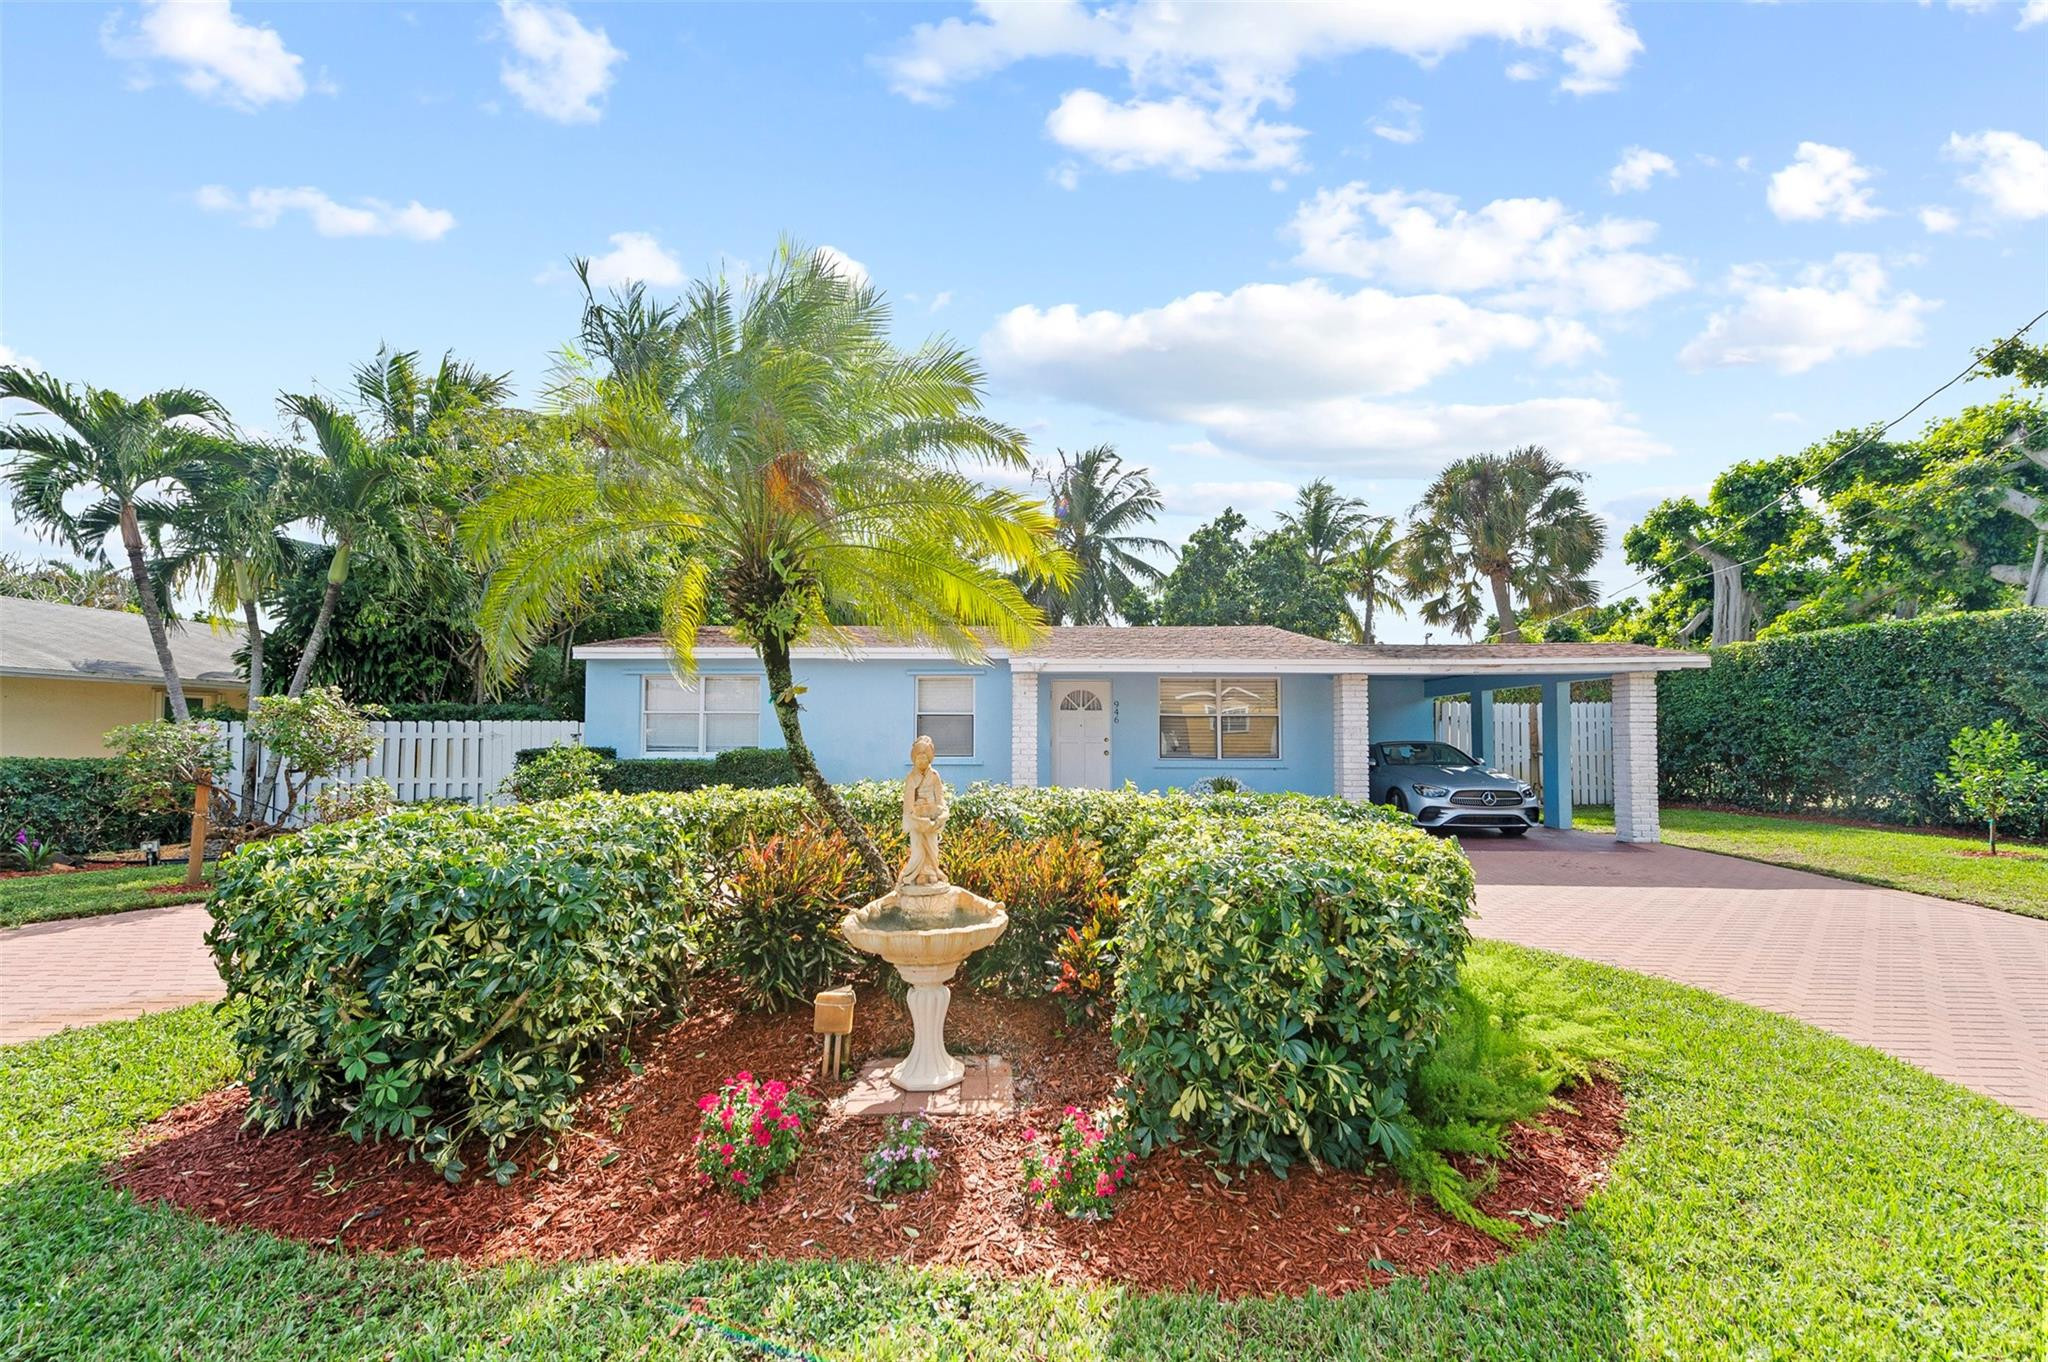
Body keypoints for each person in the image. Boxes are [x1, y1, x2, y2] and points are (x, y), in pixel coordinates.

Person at [898, 735, 949, 886]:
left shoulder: (934, 776)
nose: (921, 762)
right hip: (917, 817)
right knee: (918, 848)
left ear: (929, 759)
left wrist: (943, 813)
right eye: (918, 759)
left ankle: (932, 871)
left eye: (924, 759)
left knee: (932, 847)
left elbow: (940, 798)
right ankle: (916, 874)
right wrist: (914, 818)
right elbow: (908, 803)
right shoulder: (911, 777)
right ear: (914, 760)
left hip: (932, 814)